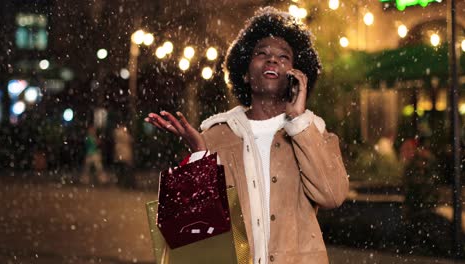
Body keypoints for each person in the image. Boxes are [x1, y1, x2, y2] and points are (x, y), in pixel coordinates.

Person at [145, 7, 348, 264]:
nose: (272, 60)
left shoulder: (312, 132)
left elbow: (332, 195)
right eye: (261, 53)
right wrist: (200, 156)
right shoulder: (216, 135)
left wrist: (298, 121)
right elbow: (194, 238)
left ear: (297, 76)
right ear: (244, 71)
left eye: (283, 57)